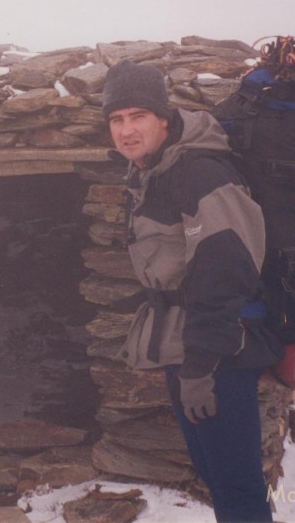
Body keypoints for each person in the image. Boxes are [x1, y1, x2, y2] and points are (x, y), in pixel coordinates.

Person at [103, 60, 279, 523]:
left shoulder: (201, 172)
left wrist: (202, 366)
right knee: (216, 473)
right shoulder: (153, 170)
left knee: (237, 483)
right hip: (189, 346)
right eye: (116, 120)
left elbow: (226, 273)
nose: (126, 130)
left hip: (218, 351)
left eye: (138, 116)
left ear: (164, 117)